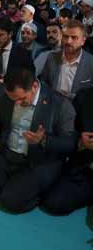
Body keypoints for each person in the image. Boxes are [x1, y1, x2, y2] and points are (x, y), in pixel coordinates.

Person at [0, 67, 76, 214]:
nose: (17, 103)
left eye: (22, 98)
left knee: (9, 203)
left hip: (37, 162)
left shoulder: (60, 104)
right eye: (13, 99)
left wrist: (44, 140)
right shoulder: (4, 93)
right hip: (7, 153)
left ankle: (36, 190)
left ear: (34, 86)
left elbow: (70, 143)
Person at [41, 86, 93, 215]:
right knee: (52, 203)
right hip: (83, 167)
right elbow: (69, 133)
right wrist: (81, 142)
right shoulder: (84, 96)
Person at [40, 20, 93, 99]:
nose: (68, 41)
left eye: (74, 37)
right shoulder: (52, 57)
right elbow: (44, 82)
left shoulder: (90, 62)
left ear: (83, 40)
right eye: (65, 36)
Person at [0, 16, 35, 87]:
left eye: (0, 35)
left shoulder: (23, 53)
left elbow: (29, 78)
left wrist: (9, 82)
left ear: (10, 34)